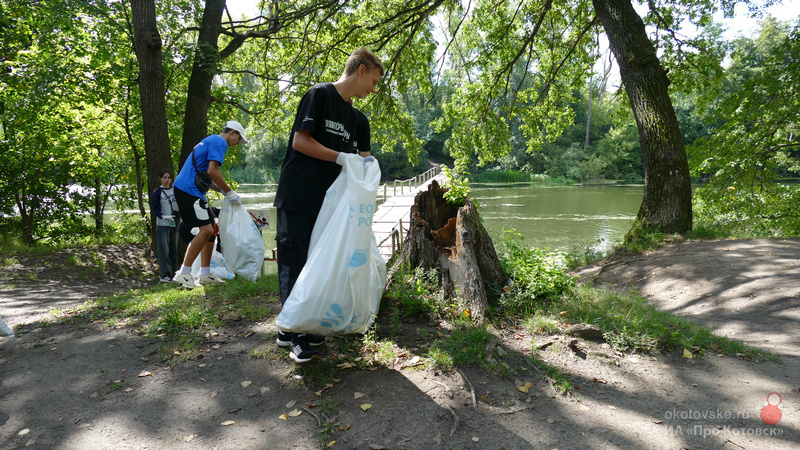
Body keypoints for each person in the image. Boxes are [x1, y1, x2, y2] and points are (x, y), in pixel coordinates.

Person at [273, 48, 384, 363]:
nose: (373, 90)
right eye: (373, 82)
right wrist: (340, 156)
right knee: (294, 262)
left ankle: (298, 325)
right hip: (298, 195)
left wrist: (369, 172)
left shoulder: (359, 121)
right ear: (360, 69)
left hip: (330, 207)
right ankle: (295, 335)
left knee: (318, 264)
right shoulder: (319, 95)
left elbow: (362, 164)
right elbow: (300, 141)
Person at [172, 120, 248, 288]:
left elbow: (205, 174)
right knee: (205, 231)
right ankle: (184, 273)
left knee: (212, 230)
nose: (237, 144)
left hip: (188, 190)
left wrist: (221, 190)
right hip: (188, 191)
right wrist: (229, 191)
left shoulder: (211, 140)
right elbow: (213, 171)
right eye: (238, 139)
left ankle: (205, 274)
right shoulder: (220, 142)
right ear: (233, 132)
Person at [150, 169, 180, 282]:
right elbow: (156, 208)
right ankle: (165, 274)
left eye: (169, 178)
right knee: (164, 249)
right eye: (165, 177)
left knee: (174, 248)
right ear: (160, 178)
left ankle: (174, 272)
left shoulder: (175, 190)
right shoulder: (158, 192)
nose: (167, 180)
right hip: (163, 224)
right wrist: (163, 216)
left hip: (175, 223)